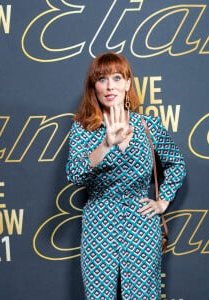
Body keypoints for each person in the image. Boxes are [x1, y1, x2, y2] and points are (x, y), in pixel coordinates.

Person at [66, 52, 186, 299]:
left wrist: (162, 200)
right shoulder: (83, 128)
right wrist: (106, 145)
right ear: (94, 87)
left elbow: (176, 164)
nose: (110, 86)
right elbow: (75, 174)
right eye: (102, 79)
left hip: (141, 222)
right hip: (99, 222)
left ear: (128, 83)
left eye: (117, 78)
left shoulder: (147, 126)